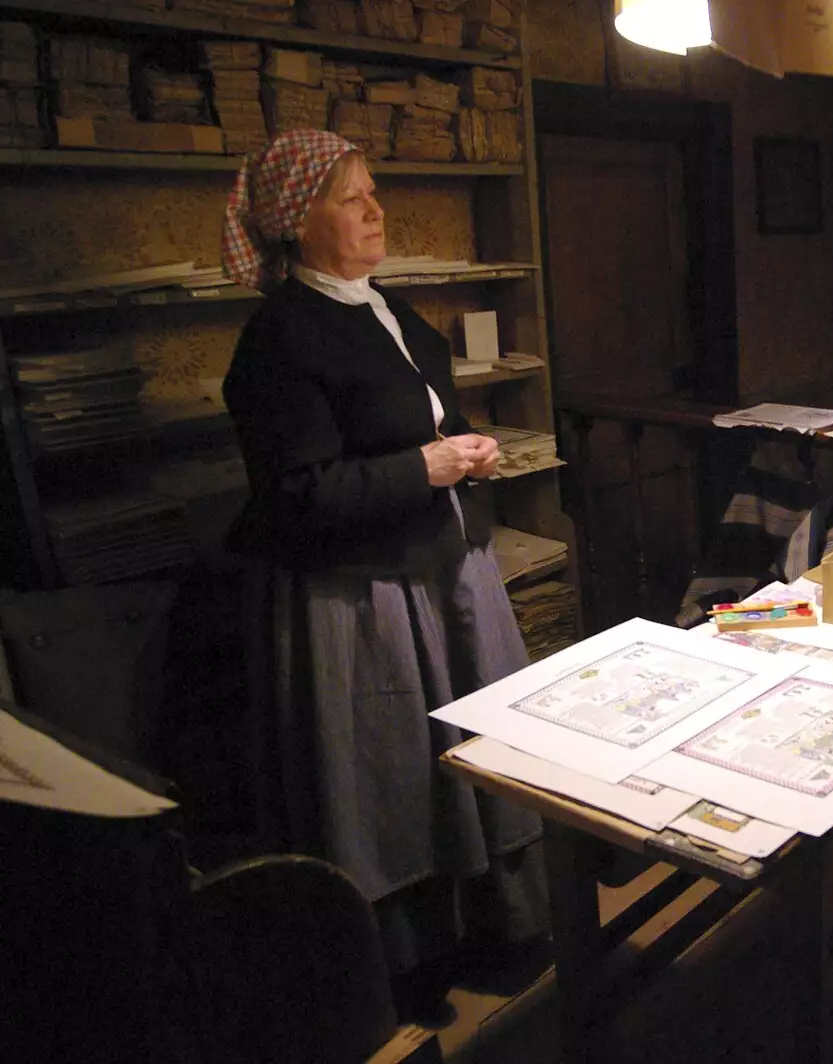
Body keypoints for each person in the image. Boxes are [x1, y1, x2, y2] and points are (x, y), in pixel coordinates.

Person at [219, 129, 546, 1013]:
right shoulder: (280, 337)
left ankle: (499, 926)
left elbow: (413, 421)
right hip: (361, 595)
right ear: (295, 223)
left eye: (374, 191)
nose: (375, 208)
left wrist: (463, 450)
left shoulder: (388, 311)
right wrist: (425, 468)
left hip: (442, 574)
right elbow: (292, 493)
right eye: (350, 197)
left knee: (481, 756)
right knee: (392, 775)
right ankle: (411, 963)